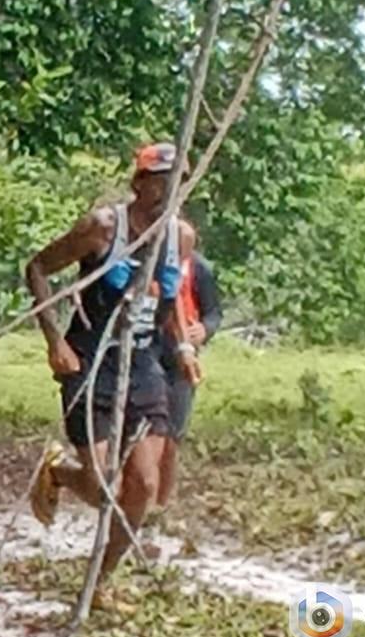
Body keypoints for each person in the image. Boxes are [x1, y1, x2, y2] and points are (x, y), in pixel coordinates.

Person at [25, 142, 197, 587]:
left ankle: (99, 580)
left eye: (177, 181)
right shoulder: (103, 228)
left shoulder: (181, 237)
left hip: (144, 364)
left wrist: (183, 347)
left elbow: (172, 296)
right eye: (160, 180)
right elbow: (38, 268)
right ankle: (59, 472)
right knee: (105, 489)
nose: (168, 190)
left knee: (144, 486)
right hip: (90, 362)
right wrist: (55, 342)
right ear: (139, 183)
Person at [157, 224, 222, 507]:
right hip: (148, 352)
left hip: (182, 360)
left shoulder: (200, 269)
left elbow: (214, 312)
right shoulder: (149, 264)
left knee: (173, 437)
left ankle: (161, 503)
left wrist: (205, 330)